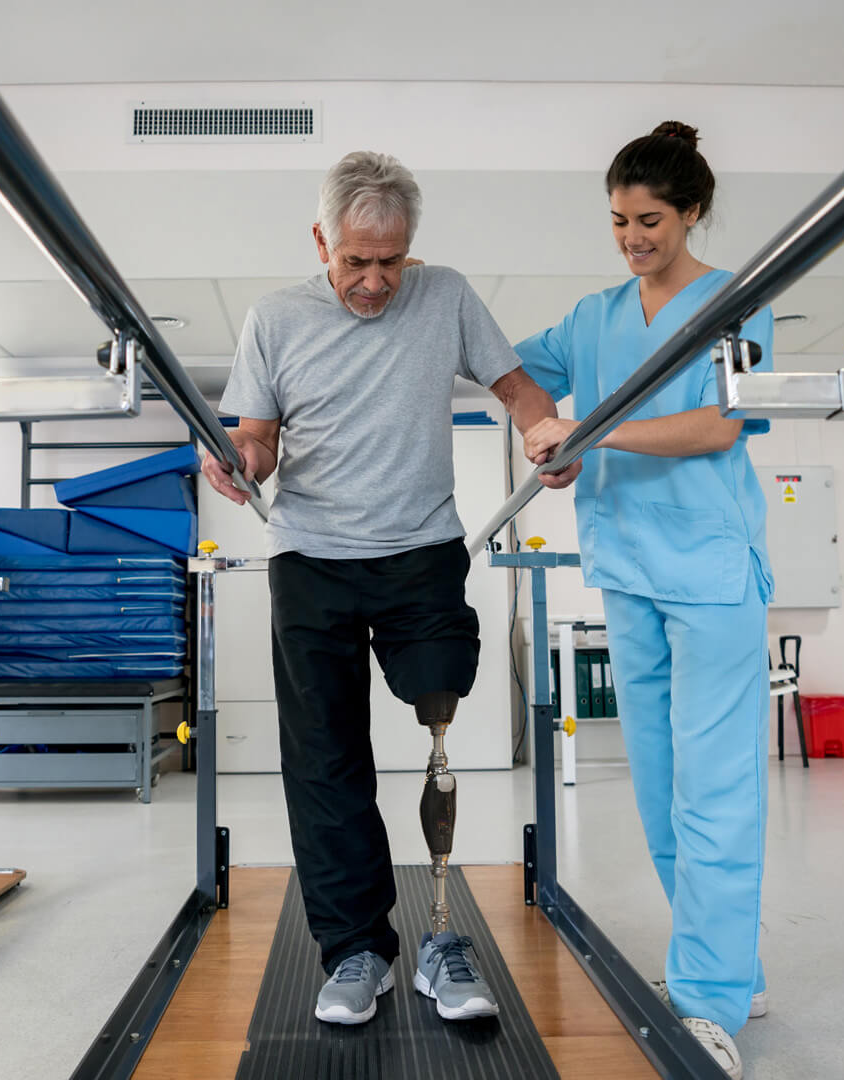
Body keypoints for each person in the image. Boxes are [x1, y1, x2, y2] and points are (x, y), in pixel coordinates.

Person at [203, 150, 574, 1027]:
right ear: (321, 240)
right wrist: (241, 462)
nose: (375, 282)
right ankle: (358, 949)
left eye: (391, 261)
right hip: (312, 558)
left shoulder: (443, 293)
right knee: (325, 761)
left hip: (421, 550)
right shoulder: (274, 317)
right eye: (355, 262)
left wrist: (542, 428)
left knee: (440, 699)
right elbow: (258, 438)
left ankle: (442, 935)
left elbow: (516, 385)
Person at [513, 121, 771, 1080]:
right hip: (626, 574)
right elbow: (516, 368)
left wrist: (591, 433)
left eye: (650, 219)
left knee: (718, 792)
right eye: (619, 219)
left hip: (709, 577)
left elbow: (718, 425)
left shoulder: (737, 301)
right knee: (662, 794)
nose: (632, 237)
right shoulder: (591, 318)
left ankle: (706, 1000)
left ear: (692, 211)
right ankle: (727, 969)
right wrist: (541, 425)